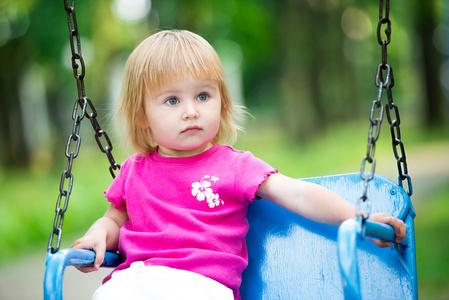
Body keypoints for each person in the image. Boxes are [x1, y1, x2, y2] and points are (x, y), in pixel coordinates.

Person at [72, 30, 406, 300]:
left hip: (201, 286)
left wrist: (356, 217)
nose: (191, 110)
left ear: (221, 101)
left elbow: (298, 194)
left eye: (203, 96)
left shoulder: (233, 167)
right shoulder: (134, 170)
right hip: (138, 282)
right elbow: (114, 219)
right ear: (143, 116)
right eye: (172, 100)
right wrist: (97, 235)